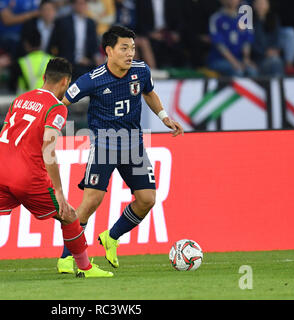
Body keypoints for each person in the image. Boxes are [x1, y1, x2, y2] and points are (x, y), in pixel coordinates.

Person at [0, 57, 113, 279]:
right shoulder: (56, 108)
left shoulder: (20, 99)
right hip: (28, 176)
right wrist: (58, 191)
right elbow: (48, 148)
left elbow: (4, 134)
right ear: (65, 82)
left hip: (0, 171)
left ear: (44, 77)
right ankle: (86, 269)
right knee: (70, 216)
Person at [56, 25, 184, 273]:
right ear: (108, 51)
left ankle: (111, 237)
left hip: (133, 144)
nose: (130, 53)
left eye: (133, 48)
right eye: (124, 48)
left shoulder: (141, 70)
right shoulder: (91, 80)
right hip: (104, 143)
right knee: (91, 201)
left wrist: (164, 117)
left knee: (147, 199)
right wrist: (51, 126)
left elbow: (149, 93)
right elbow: (62, 102)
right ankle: (66, 256)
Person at [48, 0, 103, 80]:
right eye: (79, 3)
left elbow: (94, 46)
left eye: (84, 3)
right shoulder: (62, 22)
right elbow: (53, 44)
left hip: (86, 65)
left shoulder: (91, 23)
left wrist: (96, 57)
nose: (82, 6)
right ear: (73, 5)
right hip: (67, 65)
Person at [207, 0, 257, 77]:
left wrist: (246, 59)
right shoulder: (216, 18)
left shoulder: (244, 18)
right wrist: (234, 62)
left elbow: (247, 41)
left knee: (252, 71)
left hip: (240, 59)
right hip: (219, 60)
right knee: (238, 71)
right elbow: (219, 45)